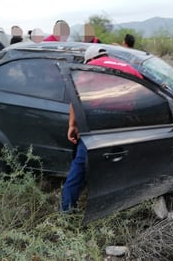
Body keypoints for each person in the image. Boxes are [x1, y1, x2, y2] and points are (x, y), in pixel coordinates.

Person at [61, 45, 143, 212]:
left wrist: (72, 125)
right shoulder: (127, 67)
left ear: (89, 59)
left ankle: (67, 208)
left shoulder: (86, 71)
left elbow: (75, 100)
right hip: (125, 119)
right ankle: (120, 205)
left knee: (81, 163)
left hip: (98, 118)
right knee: (120, 160)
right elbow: (142, 93)